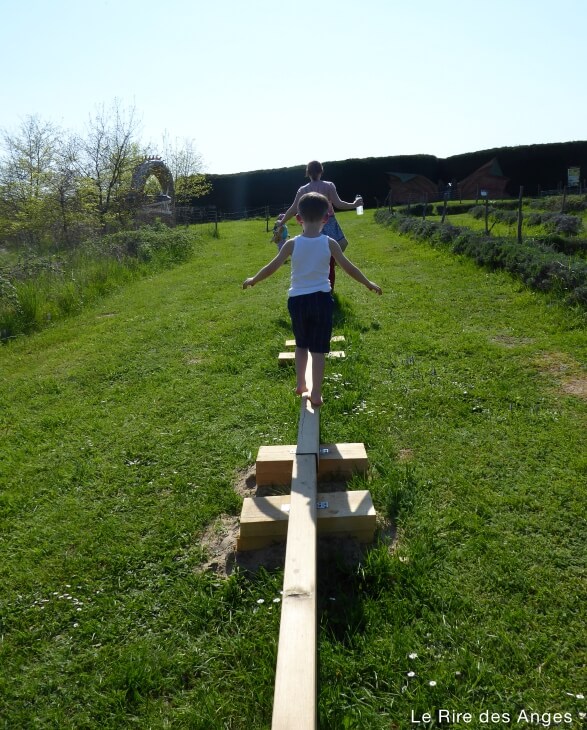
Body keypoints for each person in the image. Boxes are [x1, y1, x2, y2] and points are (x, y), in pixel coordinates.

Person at [243, 192, 382, 407]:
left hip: (297, 302)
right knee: (318, 350)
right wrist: (368, 283)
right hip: (322, 301)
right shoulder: (330, 243)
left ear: (298, 219)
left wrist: (254, 279)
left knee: (301, 345)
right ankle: (315, 393)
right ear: (326, 218)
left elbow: (272, 266)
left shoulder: (291, 244)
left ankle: (301, 384)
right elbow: (349, 267)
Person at [275, 160, 363, 290]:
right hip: (328, 221)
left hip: (309, 224)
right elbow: (338, 204)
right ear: (321, 171)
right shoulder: (328, 186)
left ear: (308, 173)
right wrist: (354, 204)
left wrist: (281, 223)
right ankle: (329, 268)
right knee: (340, 245)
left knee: (317, 251)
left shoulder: (303, 190)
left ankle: (323, 267)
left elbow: (293, 209)